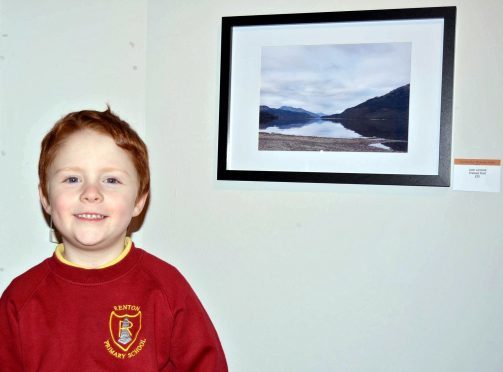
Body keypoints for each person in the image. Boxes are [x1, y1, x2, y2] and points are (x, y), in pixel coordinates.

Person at [0, 107, 227, 371]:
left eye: (111, 180)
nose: (91, 193)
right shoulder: (20, 298)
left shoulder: (166, 288)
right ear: (45, 198)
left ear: (139, 201)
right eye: (72, 178)